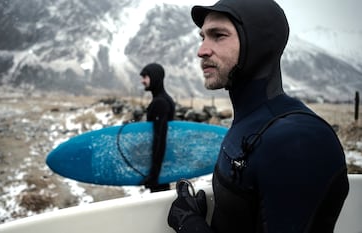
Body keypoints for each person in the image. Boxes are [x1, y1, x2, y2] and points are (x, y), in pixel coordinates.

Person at [167, 0, 349, 232]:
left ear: (258, 44)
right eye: (202, 37)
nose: (201, 50)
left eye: (218, 35)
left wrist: (189, 224)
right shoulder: (253, 123)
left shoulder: (298, 140)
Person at [139, 63, 175, 192]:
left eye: (145, 77)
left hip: (159, 168)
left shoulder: (160, 102)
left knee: (160, 204)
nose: (142, 81)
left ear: (154, 77)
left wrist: (154, 175)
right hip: (162, 166)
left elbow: (160, 139)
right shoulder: (164, 99)